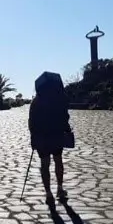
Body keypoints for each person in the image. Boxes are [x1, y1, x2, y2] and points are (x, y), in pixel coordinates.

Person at [28, 72, 72, 206]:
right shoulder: (60, 99)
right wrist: (66, 129)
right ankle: (59, 188)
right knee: (58, 161)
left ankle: (48, 193)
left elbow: (31, 122)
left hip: (42, 137)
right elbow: (65, 117)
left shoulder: (36, 102)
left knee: (45, 165)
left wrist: (33, 137)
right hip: (56, 134)